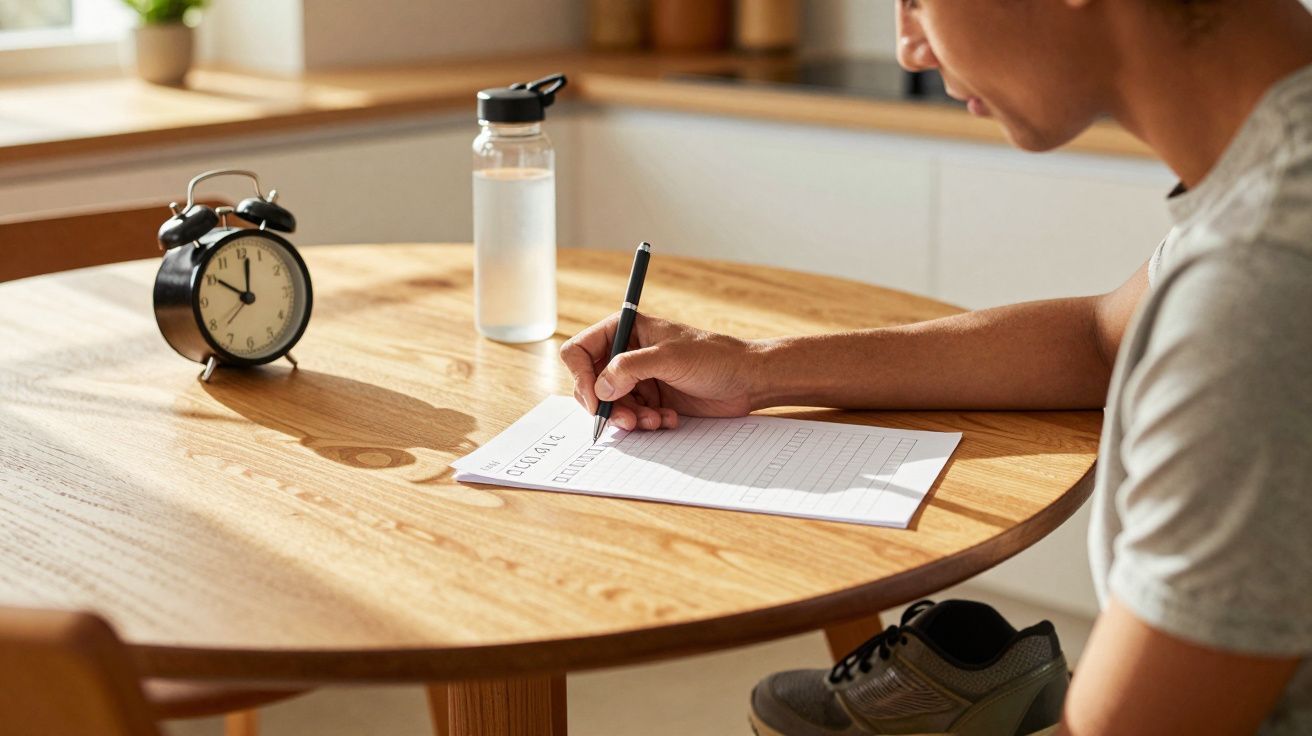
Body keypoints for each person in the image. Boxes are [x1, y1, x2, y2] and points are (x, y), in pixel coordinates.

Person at [560, 0, 1312, 733]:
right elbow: (1100, 338)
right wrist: (756, 368)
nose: (909, 49)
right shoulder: (1271, 188)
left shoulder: (1263, 281)